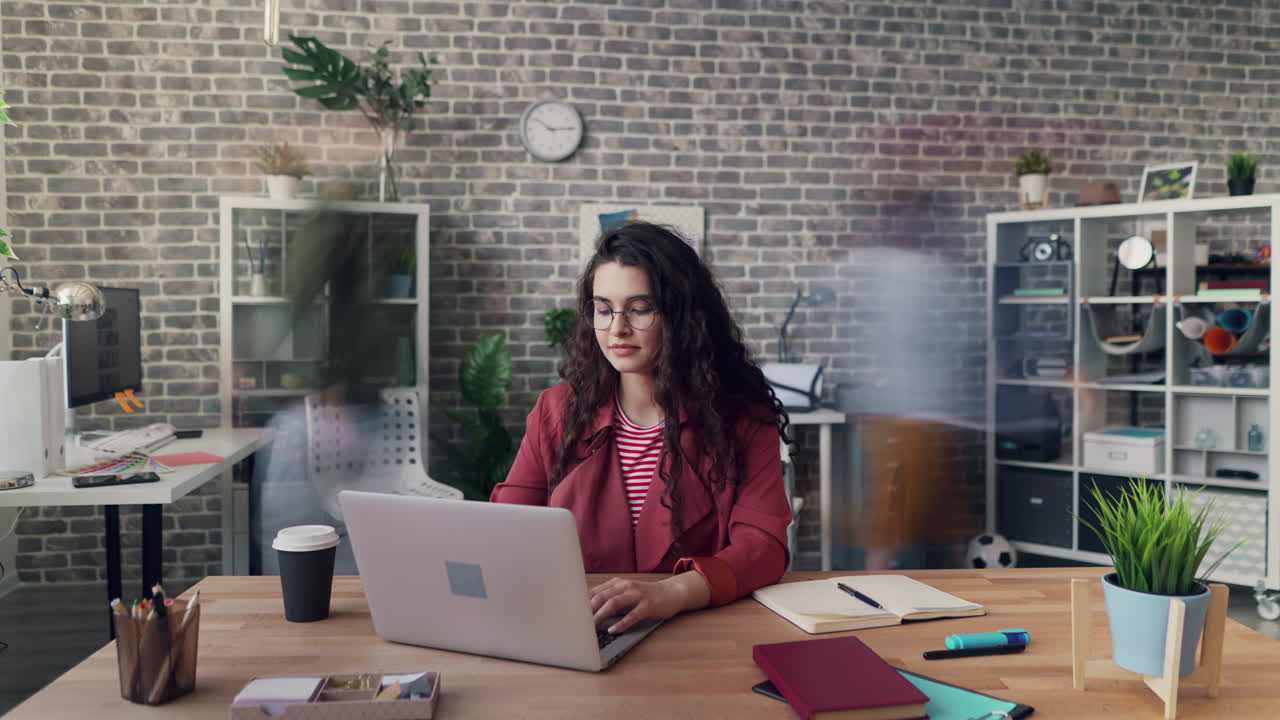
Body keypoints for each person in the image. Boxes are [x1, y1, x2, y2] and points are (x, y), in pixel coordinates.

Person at [490, 222, 793, 635]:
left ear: (682, 316)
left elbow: (763, 548)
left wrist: (674, 592)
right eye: (604, 309)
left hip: (698, 632)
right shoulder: (555, 411)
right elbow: (506, 531)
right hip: (580, 626)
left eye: (640, 308)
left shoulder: (743, 419)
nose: (617, 328)